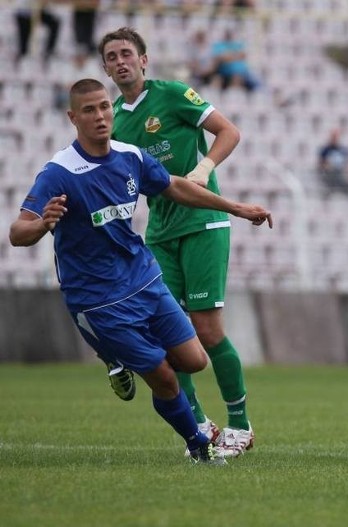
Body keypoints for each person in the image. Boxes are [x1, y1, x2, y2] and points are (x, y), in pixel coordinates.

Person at [8, 78, 272, 464]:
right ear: (72, 117)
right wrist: (42, 224)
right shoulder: (59, 171)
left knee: (195, 360)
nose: (100, 116)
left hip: (143, 279)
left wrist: (236, 207)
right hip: (98, 297)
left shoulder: (129, 156)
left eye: (104, 107)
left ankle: (116, 354)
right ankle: (200, 447)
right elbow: (18, 231)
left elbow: (176, 187)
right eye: (89, 110)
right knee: (164, 377)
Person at [99, 26, 255, 458]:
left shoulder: (172, 94)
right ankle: (200, 426)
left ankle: (240, 425)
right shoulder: (114, 122)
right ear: (106, 67)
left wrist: (204, 167)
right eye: (111, 57)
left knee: (205, 330)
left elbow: (229, 132)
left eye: (127, 53)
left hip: (204, 221)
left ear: (144, 60)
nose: (120, 62)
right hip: (161, 233)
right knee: (169, 335)